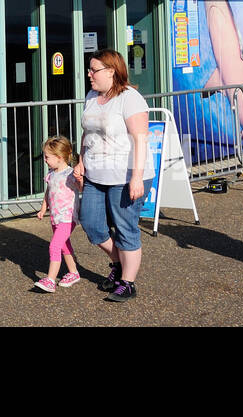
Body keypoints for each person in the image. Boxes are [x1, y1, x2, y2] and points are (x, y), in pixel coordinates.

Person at [74, 49, 153, 303]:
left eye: (93, 69)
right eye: (89, 69)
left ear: (111, 71)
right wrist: (81, 161)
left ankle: (128, 283)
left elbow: (140, 138)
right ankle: (119, 263)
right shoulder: (91, 96)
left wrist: (137, 177)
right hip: (96, 174)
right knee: (91, 222)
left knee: (125, 228)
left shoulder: (130, 98)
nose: (89, 74)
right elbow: (87, 132)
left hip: (125, 175)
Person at [35, 136, 81, 292]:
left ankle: (50, 280)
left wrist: (80, 180)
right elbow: (48, 193)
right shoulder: (52, 174)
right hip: (55, 217)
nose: (45, 160)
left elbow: (82, 188)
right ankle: (73, 272)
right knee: (63, 246)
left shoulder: (70, 174)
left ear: (60, 157)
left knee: (54, 246)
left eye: (47, 157)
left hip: (68, 218)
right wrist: (43, 209)